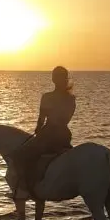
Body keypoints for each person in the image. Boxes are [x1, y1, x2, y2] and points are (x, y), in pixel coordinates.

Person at [13, 66, 76, 196]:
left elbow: (41, 120)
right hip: (64, 135)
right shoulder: (71, 99)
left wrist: (38, 130)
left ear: (53, 79)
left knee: (22, 154)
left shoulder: (47, 97)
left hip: (49, 135)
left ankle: (29, 187)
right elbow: (66, 119)